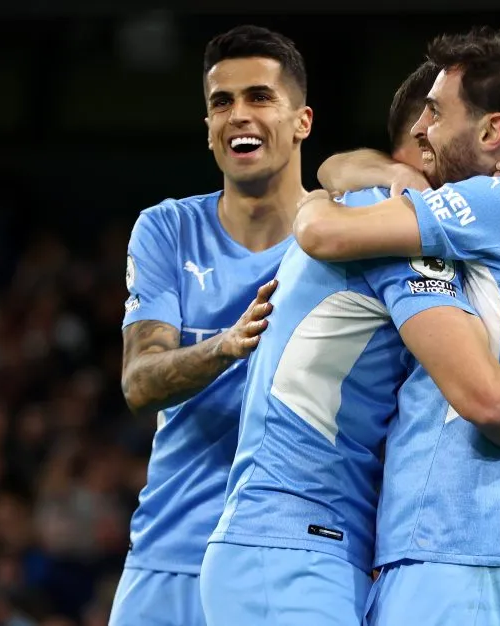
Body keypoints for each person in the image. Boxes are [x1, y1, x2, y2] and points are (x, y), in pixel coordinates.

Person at [198, 38, 500, 626]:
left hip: (316, 542)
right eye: (429, 118)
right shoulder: (393, 233)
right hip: (294, 540)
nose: (432, 129)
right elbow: (486, 396)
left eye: (438, 113)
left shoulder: (384, 216)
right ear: (420, 147)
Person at [109, 25, 311, 626]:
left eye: (259, 97)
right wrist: (227, 346)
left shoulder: (345, 234)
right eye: (221, 103)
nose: (237, 116)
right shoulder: (167, 229)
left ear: (302, 121)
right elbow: (139, 383)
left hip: (289, 557)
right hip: (170, 554)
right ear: (207, 128)